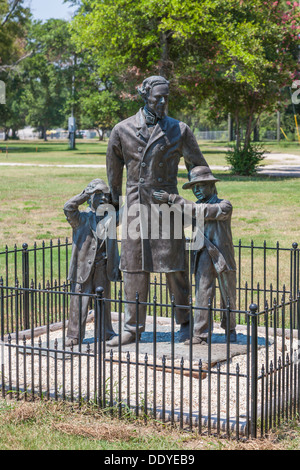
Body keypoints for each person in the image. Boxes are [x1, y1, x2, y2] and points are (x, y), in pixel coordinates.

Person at [106, 75, 210, 346]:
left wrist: (207, 199)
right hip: (135, 209)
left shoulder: (179, 129)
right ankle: (132, 328)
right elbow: (113, 177)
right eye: (157, 98)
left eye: (166, 97)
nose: (163, 102)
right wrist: (112, 208)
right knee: (133, 269)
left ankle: (186, 322)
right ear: (144, 96)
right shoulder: (122, 130)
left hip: (167, 208)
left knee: (175, 269)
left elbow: (198, 167)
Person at [153, 166, 237, 344]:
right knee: (202, 293)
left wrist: (175, 199)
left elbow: (205, 212)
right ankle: (200, 334)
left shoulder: (224, 206)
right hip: (203, 255)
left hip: (222, 257)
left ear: (211, 185)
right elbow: (180, 220)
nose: (197, 191)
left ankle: (230, 329)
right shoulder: (194, 207)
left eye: (200, 186)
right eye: (194, 188)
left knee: (227, 294)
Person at [64, 179, 121, 347]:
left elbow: (124, 212)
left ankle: (105, 332)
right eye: (99, 195)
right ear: (90, 197)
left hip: (103, 267)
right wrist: (85, 194)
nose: (104, 198)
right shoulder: (80, 218)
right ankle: (74, 334)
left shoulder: (109, 218)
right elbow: (68, 207)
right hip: (83, 268)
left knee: (103, 300)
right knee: (79, 300)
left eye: (106, 196)